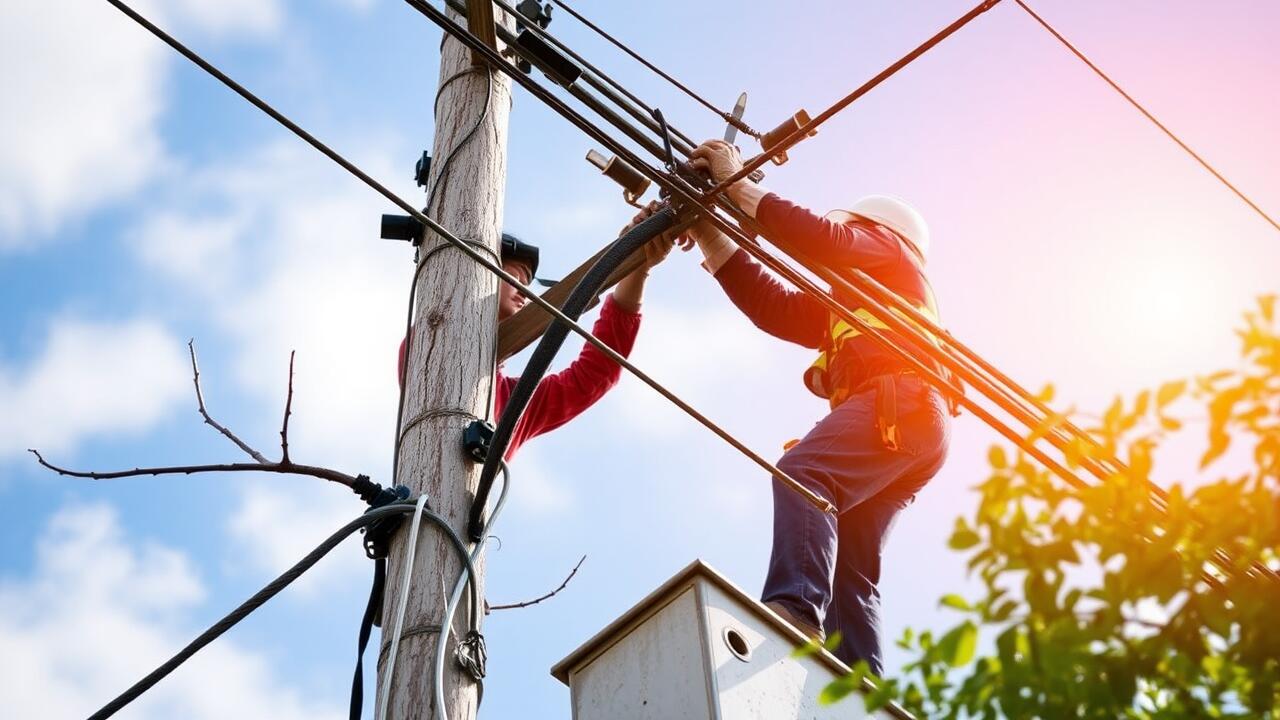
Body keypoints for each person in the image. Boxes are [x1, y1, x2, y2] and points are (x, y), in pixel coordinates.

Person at [683, 139, 954, 674]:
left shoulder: (890, 252)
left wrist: (739, 186)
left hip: (900, 403)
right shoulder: (855, 297)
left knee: (804, 473)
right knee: (852, 559)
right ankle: (860, 680)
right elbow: (775, 308)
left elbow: (824, 239)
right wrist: (709, 231)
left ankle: (795, 609)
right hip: (914, 427)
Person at [400, 210, 673, 459]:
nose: (523, 294)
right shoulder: (433, 332)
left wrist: (635, 265)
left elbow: (598, 371)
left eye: (527, 286)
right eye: (514, 280)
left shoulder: (517, 407)